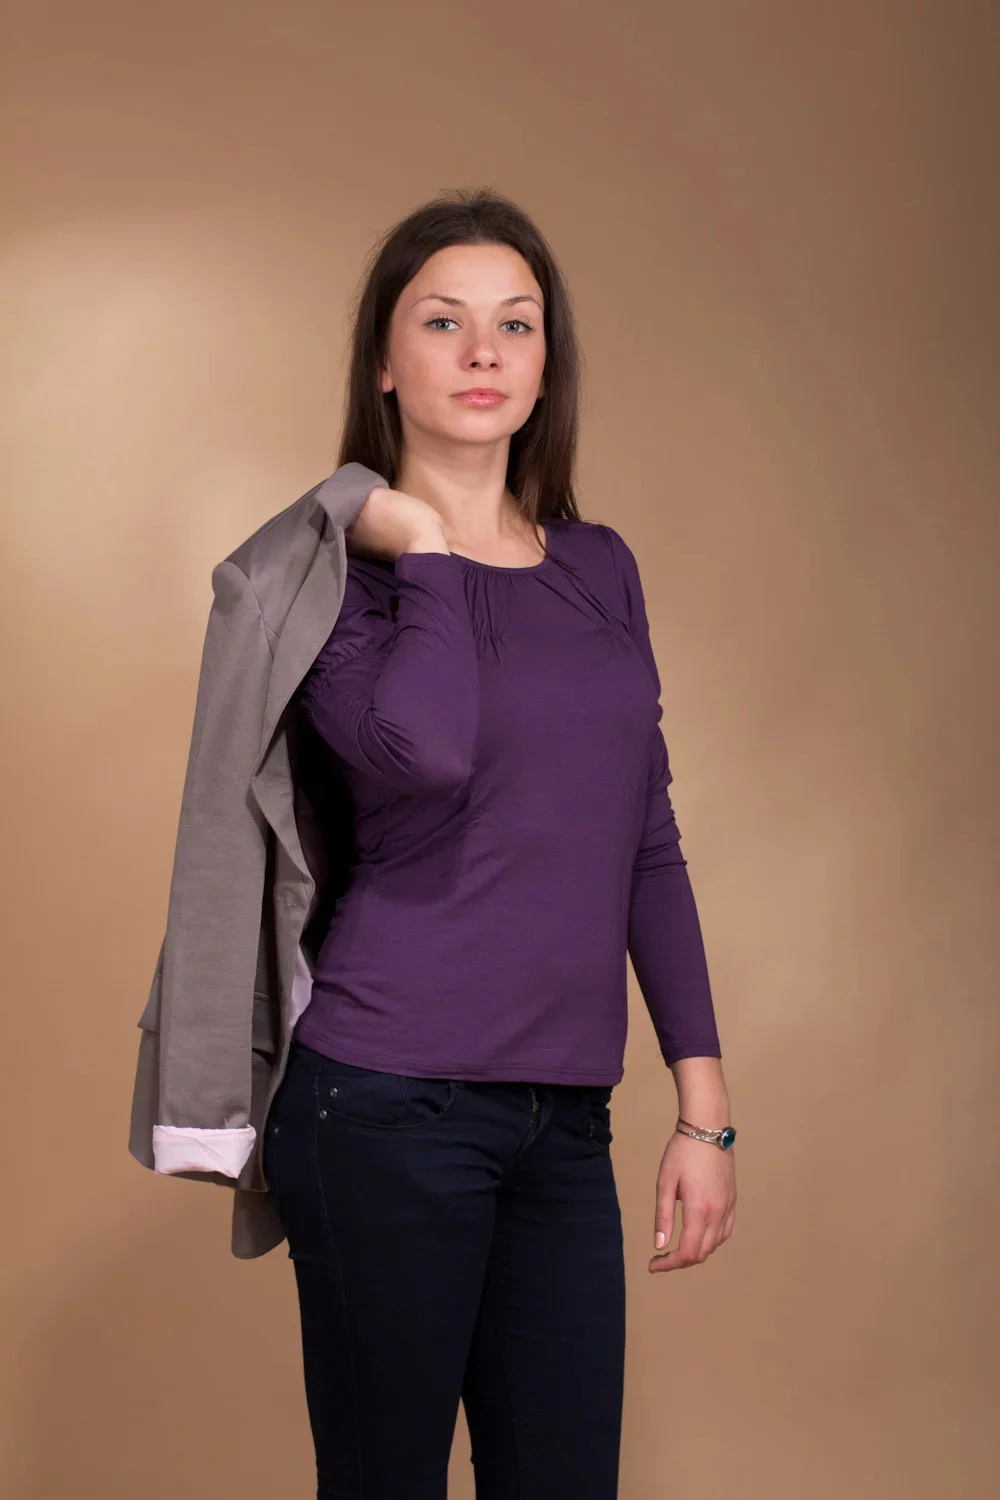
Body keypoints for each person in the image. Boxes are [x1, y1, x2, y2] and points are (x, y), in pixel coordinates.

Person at [262, 188, 737, 1500]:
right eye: (443, 321)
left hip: (561, 1120)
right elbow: (420, 752)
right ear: (383, 362)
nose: (484, 352)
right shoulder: (332, 577)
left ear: (545, 361)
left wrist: (704, 1112)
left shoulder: (601, 568)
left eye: (516, 324)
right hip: (382, 1103)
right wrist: (423, 546)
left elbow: (645, 840)